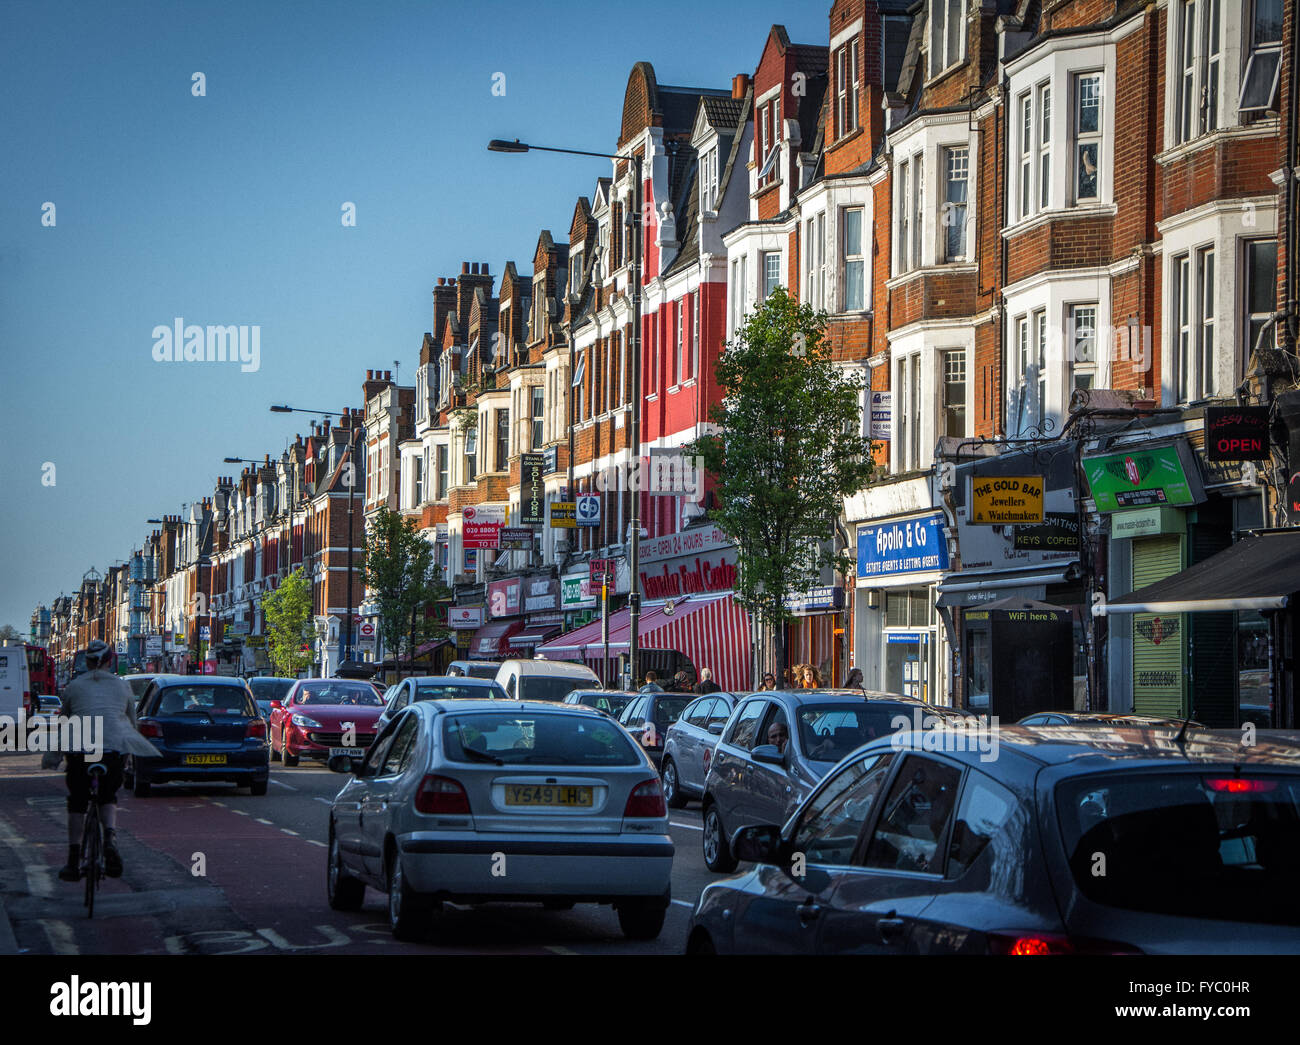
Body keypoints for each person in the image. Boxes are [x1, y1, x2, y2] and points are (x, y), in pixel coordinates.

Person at [50, 640, 161, 882]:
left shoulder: (74, 686)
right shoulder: (122, 688)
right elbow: (131, 724)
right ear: (110, 661)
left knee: (77, 802)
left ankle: (72, 860)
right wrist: (129, 756)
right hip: (112, 750)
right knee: (108, 796)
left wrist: (55, 755)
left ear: (88, 662)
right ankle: (109, 838)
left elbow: (65, 723)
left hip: (81, 750)